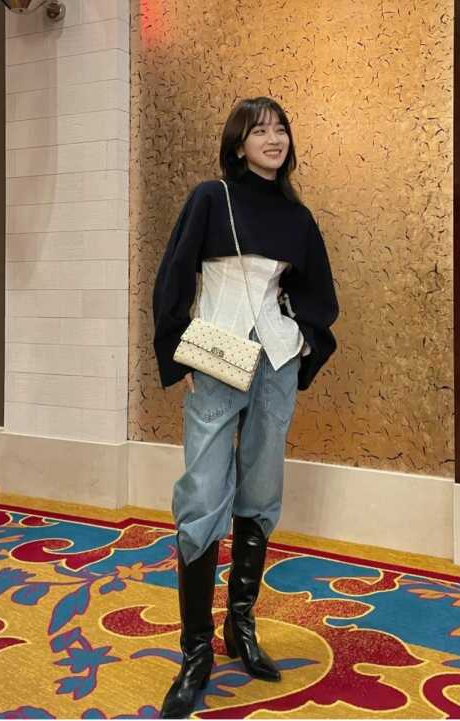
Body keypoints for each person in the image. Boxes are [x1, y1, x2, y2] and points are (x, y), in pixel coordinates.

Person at [152, 96, 339, 718]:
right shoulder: (212, 198)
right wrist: (179, 349)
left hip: (276, 364)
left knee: (261, 490)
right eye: (260, 131)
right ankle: (196, 651)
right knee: (203, 494)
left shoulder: (297, 215)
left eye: (281, 129)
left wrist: (302, 339)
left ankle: (241, 625)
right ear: (238, 144)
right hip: (217, 355)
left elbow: (317, 292)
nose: (273, 138)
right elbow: (174, 275)